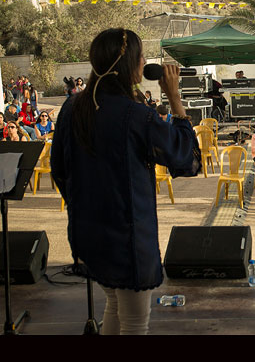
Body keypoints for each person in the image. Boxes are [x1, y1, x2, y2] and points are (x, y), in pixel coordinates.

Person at [50, 28, 201, 336]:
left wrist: (84, 204)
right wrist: (174, 97)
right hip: (128, 238)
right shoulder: (135, 115)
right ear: (128, 63)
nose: (144, 61)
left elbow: (59, 170)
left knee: (114, 307)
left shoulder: (72, 108)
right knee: (135, 324)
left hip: (90, 233)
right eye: (141, 55)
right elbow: (185, 158)